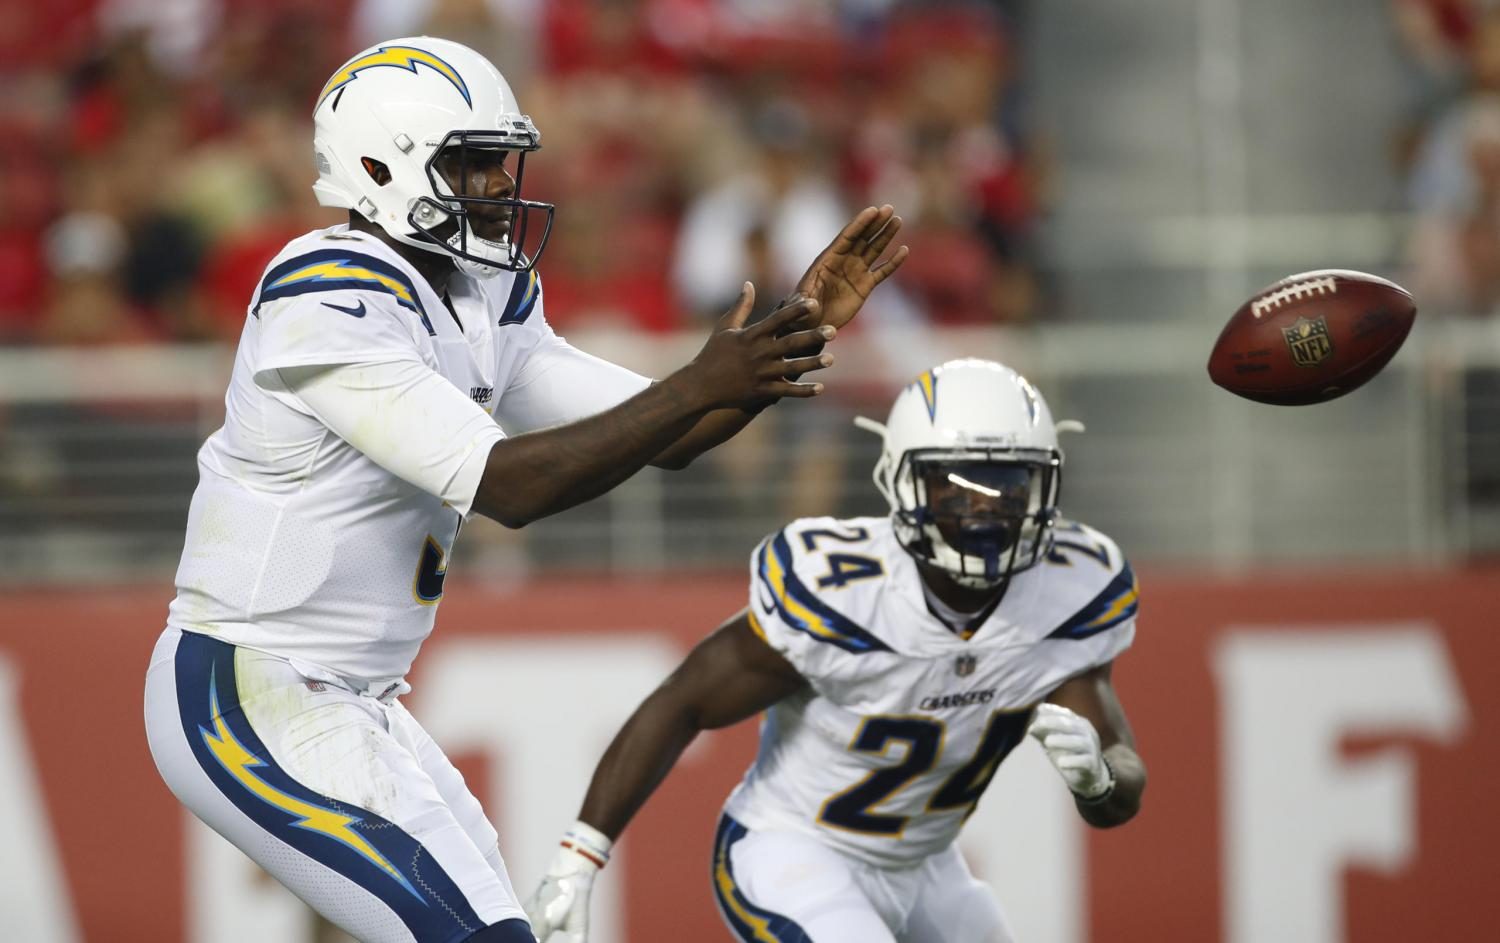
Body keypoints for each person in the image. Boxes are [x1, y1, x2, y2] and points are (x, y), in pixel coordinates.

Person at [142, 36, 907, 943]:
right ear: (382, 165)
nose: (500, 189)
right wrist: (701, 379)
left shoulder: (478, 291)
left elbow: (668, 433)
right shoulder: (325, 292)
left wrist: (793, 333)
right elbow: (510, 486)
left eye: (501, 163)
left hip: (354, 696)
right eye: (471, 164)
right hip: (247, 686)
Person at [526, 359, 1147, 943]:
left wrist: (1099, 779)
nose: (982, 509)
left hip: (928, 865)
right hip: (794, 849)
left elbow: (1120, 788)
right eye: (954, 486)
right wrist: (579, 858)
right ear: (903, 483)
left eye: (1007, 486)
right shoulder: (845, 593)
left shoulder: (1074, 591)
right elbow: (682, 704)